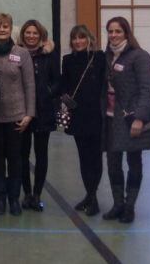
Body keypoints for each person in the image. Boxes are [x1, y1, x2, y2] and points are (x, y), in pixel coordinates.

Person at [102, 16, 150, 224]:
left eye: (118, 31)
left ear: (127, 33)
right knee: (112, 164)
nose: (113, 35)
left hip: (131, 119)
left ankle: (129, 207)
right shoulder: (107, 56)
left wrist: (140, 118)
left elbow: (147, 90)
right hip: (109, 118)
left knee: (134, 162)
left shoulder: (139, 56)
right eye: (110, 31)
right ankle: (118, 204)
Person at [0, 13, 35, 216]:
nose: (2, 29)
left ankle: (14, 198)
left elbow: (29, 85)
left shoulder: (22, 53)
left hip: (17, 117)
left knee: (15, 160)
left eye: (5, 26)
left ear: (11, 28)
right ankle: (0, 198)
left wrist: (29, 114)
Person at [61, 25, 106, 216]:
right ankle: (90, 196)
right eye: (74, 38)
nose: (78, 41)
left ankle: (92, 198)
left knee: (95, 158)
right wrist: (62, 97)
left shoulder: (100, 57)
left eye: (82, 37)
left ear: (89, 38)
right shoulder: (68, 60)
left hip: (96, 115)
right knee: (84, 158)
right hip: (78, 116)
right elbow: (64, 84)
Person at [17, 20, 60, 212]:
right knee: (22, 154)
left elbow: (57, 82)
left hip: (43, 112)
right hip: (22, 111)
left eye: (35, 33)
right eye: (28, 33)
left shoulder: (49, 56)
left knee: (41, 154)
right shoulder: (16, 54)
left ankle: (37, 194)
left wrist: (45, 92)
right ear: (23, 35)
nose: (31, 36)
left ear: (40, 35)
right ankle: (26, 193)